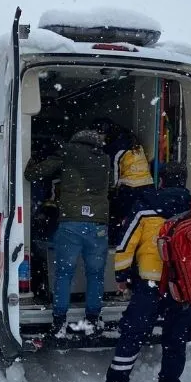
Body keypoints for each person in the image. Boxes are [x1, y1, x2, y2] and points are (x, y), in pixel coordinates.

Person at [104, 162, 191, 382]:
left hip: (150, 283)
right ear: (184, 181)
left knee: (132, 335)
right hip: (183, 287)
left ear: (161, 181)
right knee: (176, 340)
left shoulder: (145, 204)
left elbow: (126, 243)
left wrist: (122, 275)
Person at [24, 127, 111, 337]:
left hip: (71, 223)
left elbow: (33, 174)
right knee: (96, 275)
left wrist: (30, 161)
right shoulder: (105, 158)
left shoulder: (69, 152)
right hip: (98, 224)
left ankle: (60, 322)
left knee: (64, 274)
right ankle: (92, 320)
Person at [92, 118, 154, 246]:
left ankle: (114, 242)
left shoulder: (117, 148)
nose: (99, 138)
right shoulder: (131, 141)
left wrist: (110, 190)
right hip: (147, 186)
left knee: (116, 214)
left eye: (100, 134)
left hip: (131, 187)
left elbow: (115, 173)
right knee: (135, 217)